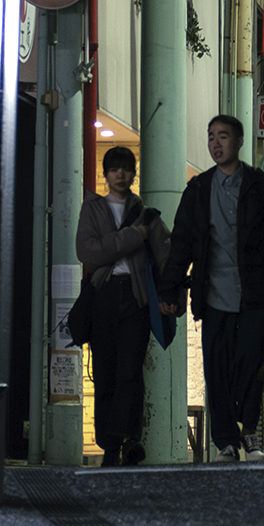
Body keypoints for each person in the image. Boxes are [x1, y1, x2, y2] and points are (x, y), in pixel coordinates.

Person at [157, 116, 264, 464]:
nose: (216, 144)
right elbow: (181, 243)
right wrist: (170, 290)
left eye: (223, 136)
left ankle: (248, 430)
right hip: (212, 293)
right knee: (216, 367)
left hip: (252, 292)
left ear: (240, 141)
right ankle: (225, 442)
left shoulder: (262, 188)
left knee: (250, 362)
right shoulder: (199, 190)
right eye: (211, 137)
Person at [76, 144, 170, 467]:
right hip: (103, 296)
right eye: (114, 168)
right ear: (105, 174)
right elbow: (88, 252)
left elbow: (167, 257)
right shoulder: (92, 209)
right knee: (104, 373)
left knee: (130, 373)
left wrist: (173, 295)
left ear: (133, 173)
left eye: (125, 168)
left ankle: (126, 439)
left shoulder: (148, 215)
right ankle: (110, 444)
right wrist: (133, 237)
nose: (119, 174)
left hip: (135, 299)